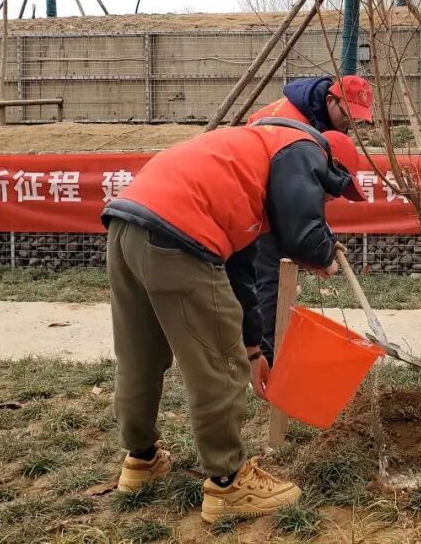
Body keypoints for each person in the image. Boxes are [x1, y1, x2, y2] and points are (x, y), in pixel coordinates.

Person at [100, 118, 366, 524]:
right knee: (219, 365)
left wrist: (254, 350)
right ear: (328, 173)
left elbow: (241, 274)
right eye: (329, 195)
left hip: (127, 226)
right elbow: (302, 234)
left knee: (141, 355)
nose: (326, 202)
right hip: (179, 235)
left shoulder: (248, 165)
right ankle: (228, 484)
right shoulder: (302, 148)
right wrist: (323, 252)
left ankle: (142, 460)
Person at [246, 75, 374, 363]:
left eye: (357, 120)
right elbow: (294, 201)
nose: (350, 124)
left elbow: (303, 198)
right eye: (348, 116)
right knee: (267, 277)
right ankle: (267, 359)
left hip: (272, 193)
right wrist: (318, 253)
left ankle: (270, 350)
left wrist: (324, 240)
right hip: (258, 198)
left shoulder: (316, 121)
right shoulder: (296, 127)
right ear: (331, 100)